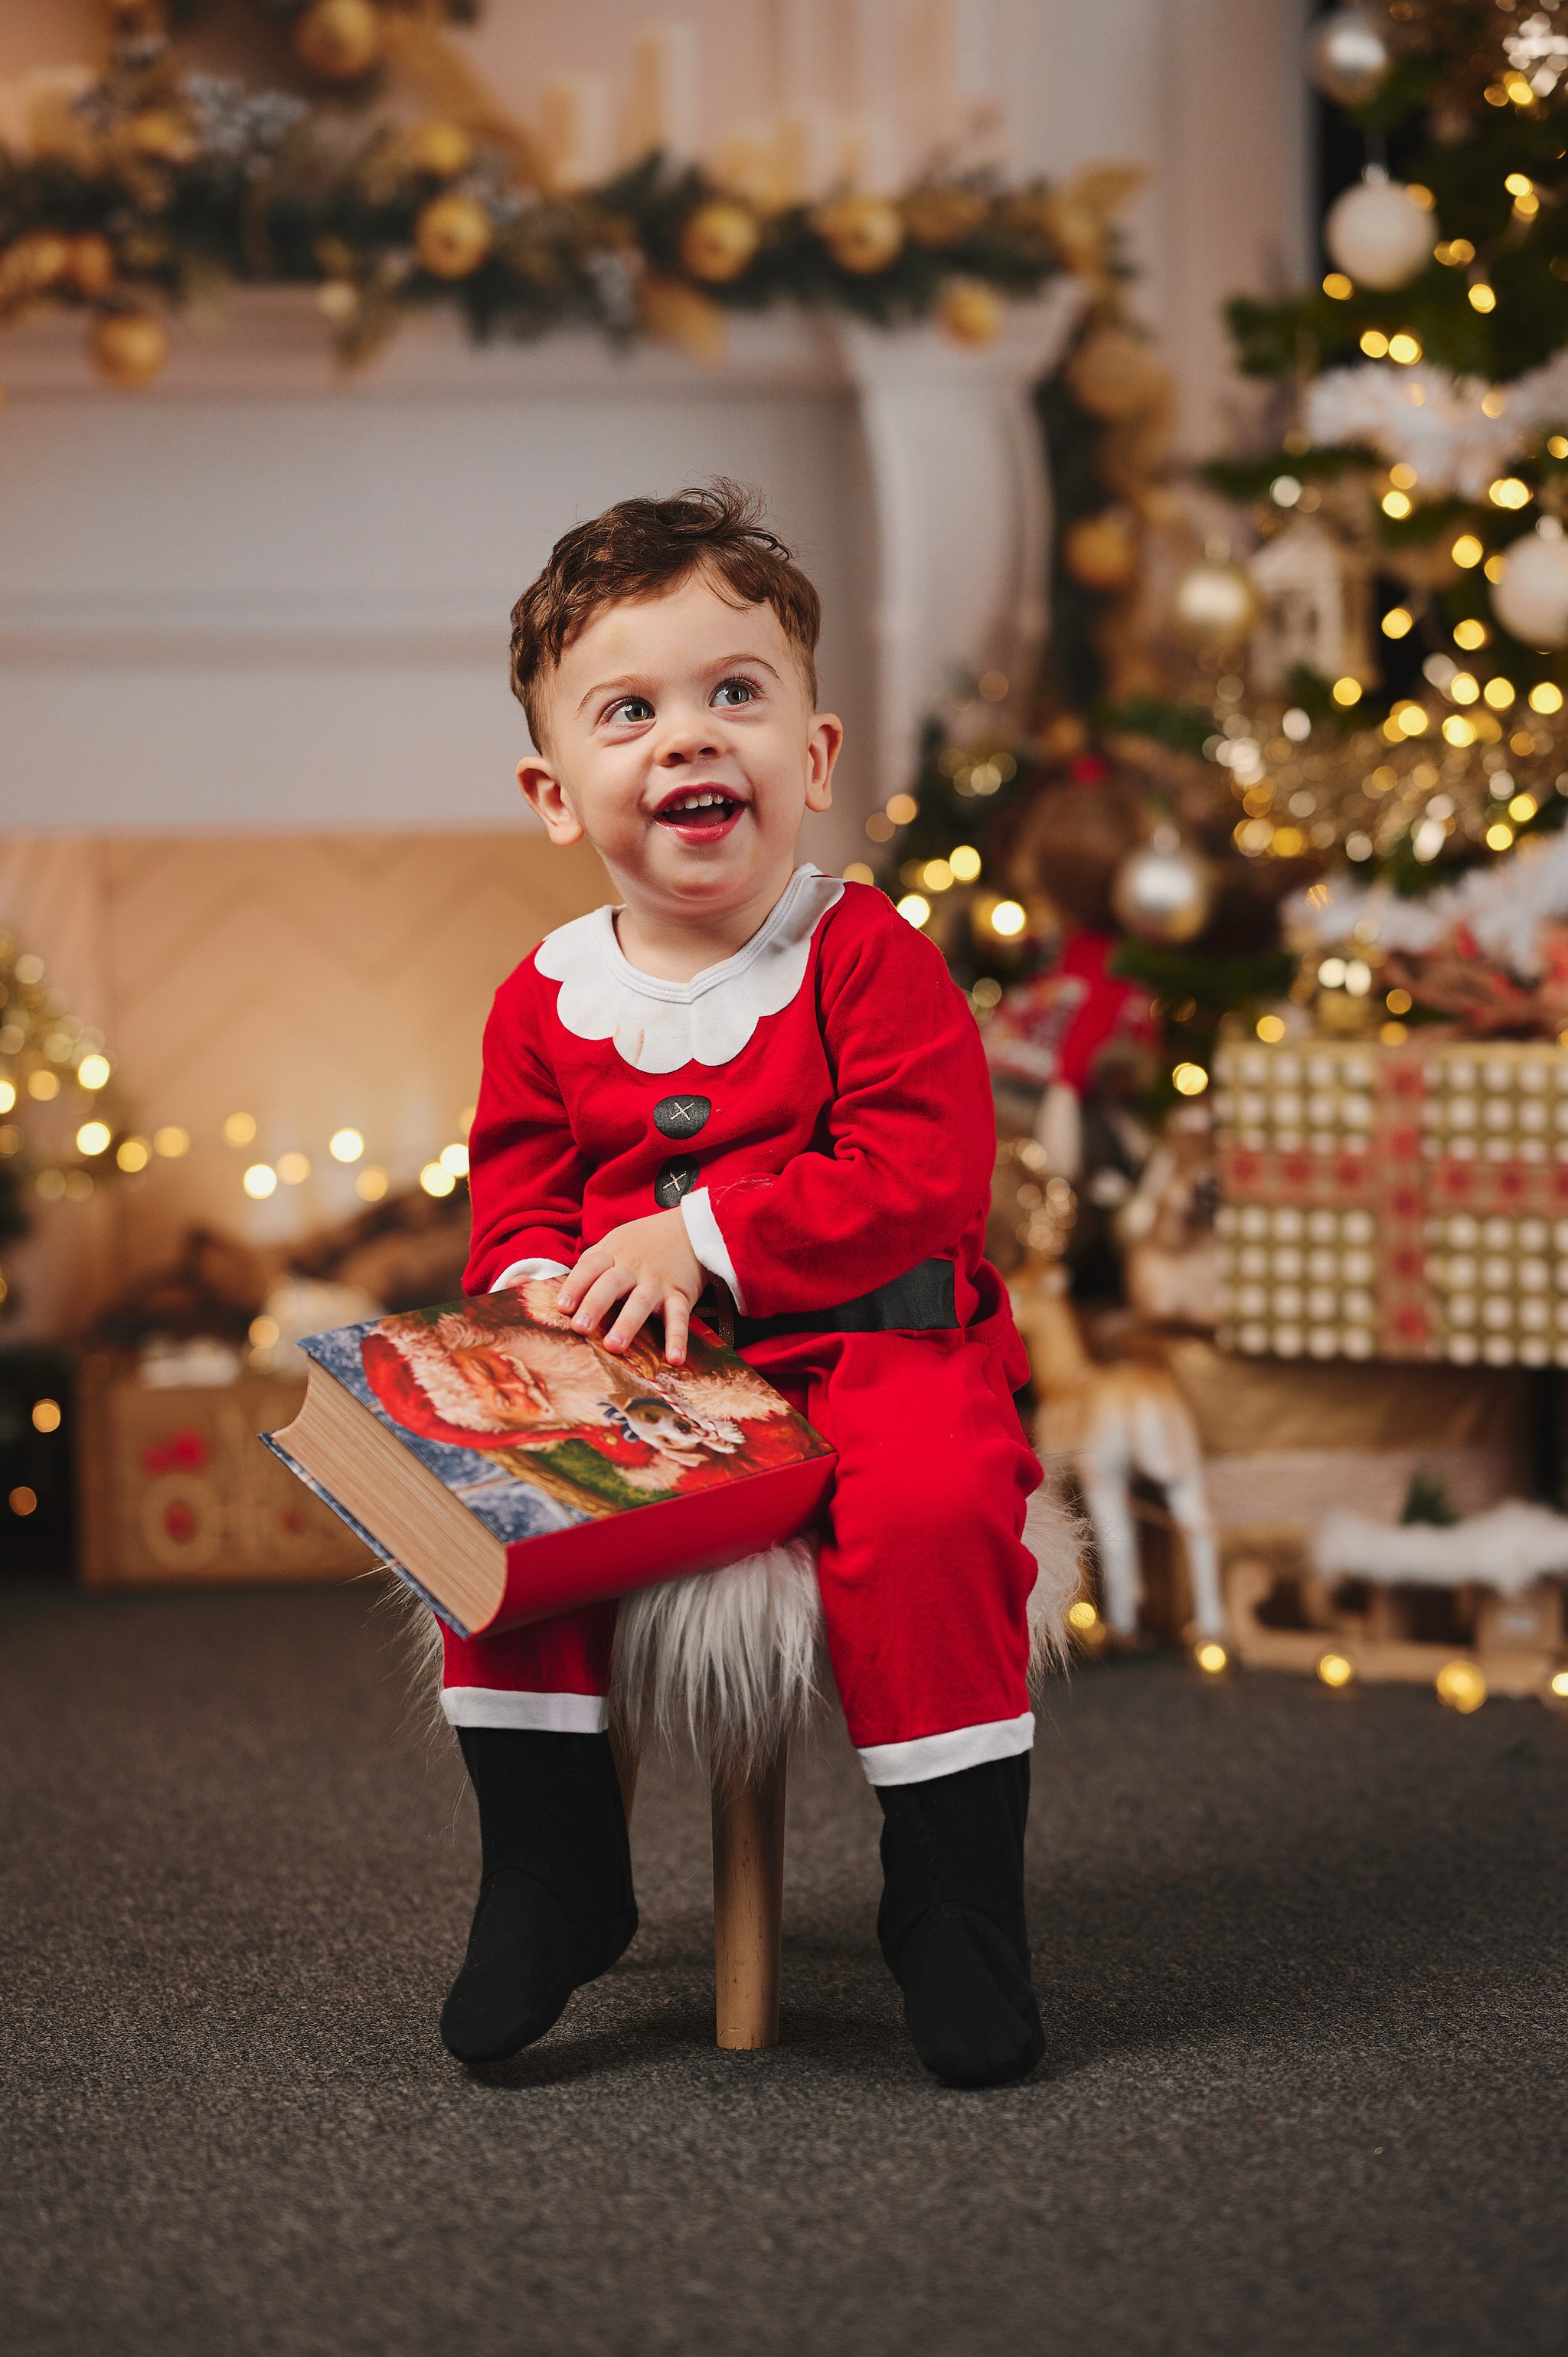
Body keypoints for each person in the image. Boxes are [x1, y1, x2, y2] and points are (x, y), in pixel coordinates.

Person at [439, 480, 1053, 2088]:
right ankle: (551, 1872)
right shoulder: (542, 997)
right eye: (628, 711)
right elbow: (514, 1189)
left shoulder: (862, 951)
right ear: (557, 791)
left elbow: (921, 1174)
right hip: (650, 1383)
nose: (689, 738)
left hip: (879, 1347)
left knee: (929, 1512)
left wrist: (697, 1235)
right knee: (499, 1512)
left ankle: (951, 1906)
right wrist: (538, 1283)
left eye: (735, 695)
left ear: (815, 755)